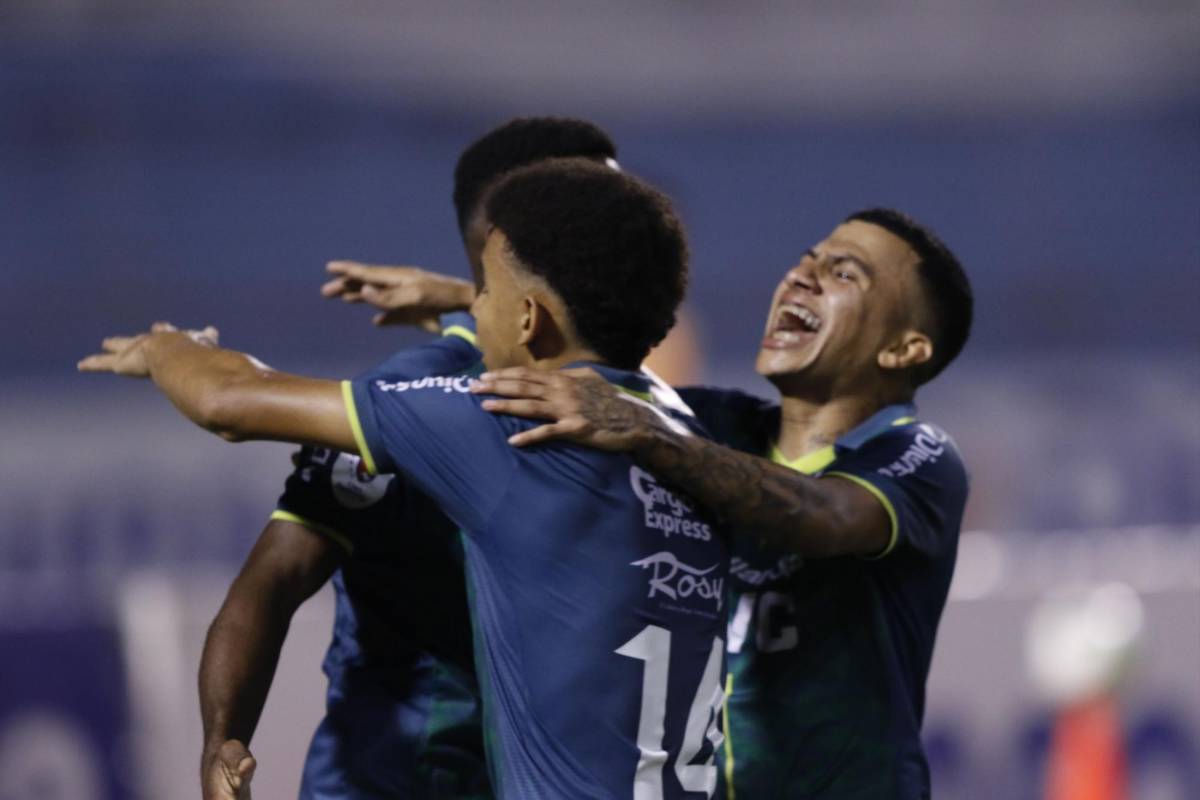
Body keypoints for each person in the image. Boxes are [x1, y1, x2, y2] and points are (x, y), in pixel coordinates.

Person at [80, 158, 730, 799]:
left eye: (480, 290)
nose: (469, 307)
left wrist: (167, 345)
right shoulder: (705, 444)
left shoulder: (494, 425)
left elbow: (228, 401)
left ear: (529, 316)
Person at [466, 208, 973, 798]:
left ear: (903, 349)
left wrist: (649, 433)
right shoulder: (713, 424)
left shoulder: (919, 457)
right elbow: (575, 369)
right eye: (806, 260)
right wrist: (464, 305)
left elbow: (822, 515)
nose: (801, 278)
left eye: (844, 273)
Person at [196, 117, 622, 800]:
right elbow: (272, 579)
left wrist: (457, 297)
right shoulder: (412, 401)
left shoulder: (629, 405)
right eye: (606, 209)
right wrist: (222, 739)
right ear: (515, 237)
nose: (635, 226)